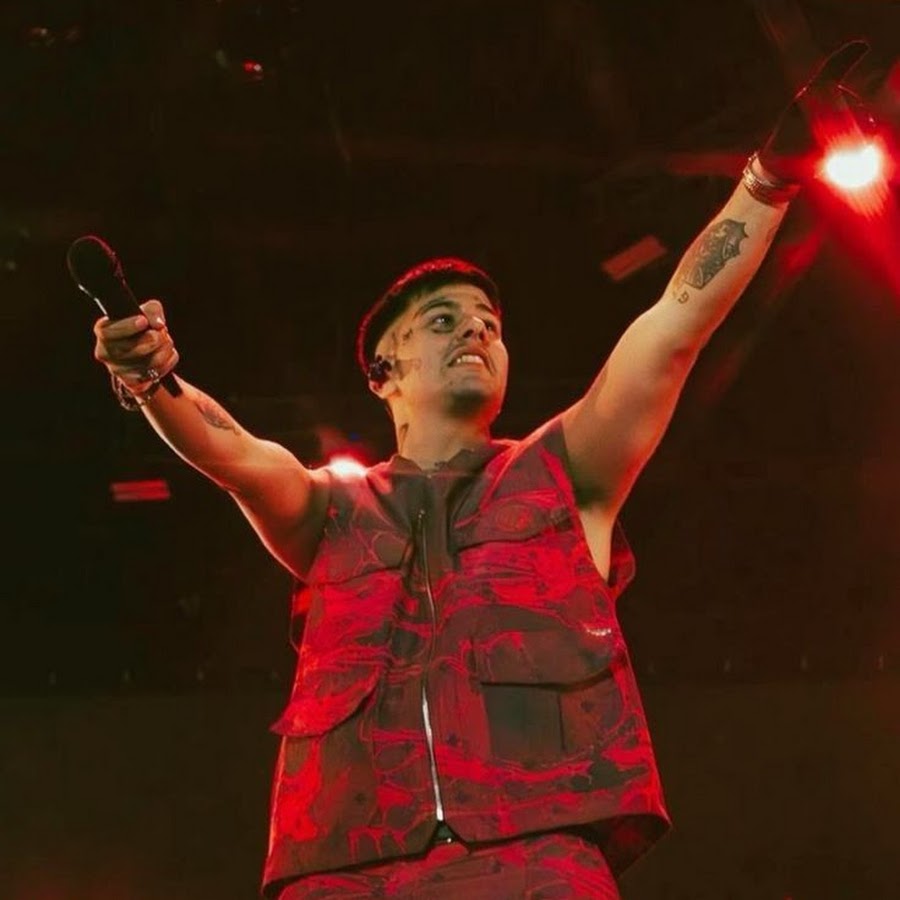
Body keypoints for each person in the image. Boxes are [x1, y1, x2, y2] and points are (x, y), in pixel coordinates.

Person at [93, 41, 868, 900]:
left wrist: (768, 179)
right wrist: (150, 377)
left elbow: (676, 321)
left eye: (489, 324)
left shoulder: (566, 471)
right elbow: (230, 450)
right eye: (441, 321)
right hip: (346, 871)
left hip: (534, 859)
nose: (474, 330)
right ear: (382, 372)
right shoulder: (331, 508)